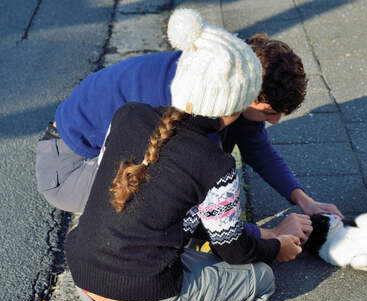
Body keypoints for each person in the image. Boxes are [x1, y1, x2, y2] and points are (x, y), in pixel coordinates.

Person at [65, 14, 300, 301]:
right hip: (143, 299)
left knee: (169, 257)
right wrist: (275, 247)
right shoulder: (216, 164)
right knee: (259, 281)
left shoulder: (129, 115)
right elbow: (233, 249)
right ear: (241, 98)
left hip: (84, 281)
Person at [35, 8, 342, 246]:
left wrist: (304, 200)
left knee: (210, 155)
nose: (275, 122)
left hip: (98, 152)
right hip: (69, 168)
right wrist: (268, 234)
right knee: (171, 202)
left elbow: (258, 149)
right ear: (249, 93)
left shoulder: (223, 79)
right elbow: (192, 209)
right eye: (271, 112)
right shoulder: (178, 100)